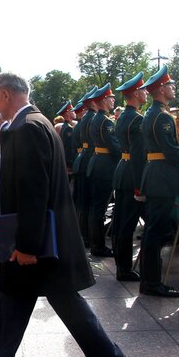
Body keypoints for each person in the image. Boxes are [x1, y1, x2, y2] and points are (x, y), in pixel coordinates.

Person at [0, 72, 128, 357]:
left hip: (38, 240)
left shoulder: (29, 129)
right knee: (18, 297)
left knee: (49, 297)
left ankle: (107, 356)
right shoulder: (37, 124)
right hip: (46, 237)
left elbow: (33, 193)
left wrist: (26, 245)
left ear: (8, 95)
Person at [139, 65, 179, 298]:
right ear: (161, 89)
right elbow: (173, 153)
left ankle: (149, 280)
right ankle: (152, 283)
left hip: (156, 176)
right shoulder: (162, 116)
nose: (173, 87)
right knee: (156, 232)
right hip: (162, 177)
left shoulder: (153, 113)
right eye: (170, 85)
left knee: (154, 231)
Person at [111, 72, 147, 282]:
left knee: (120, 223)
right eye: (142, 90)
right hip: (132, 174)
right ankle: (124, 269)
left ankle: (121, 266)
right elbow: (139, 155)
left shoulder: (124, 116)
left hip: (122, 171)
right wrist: (140, 185)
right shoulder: (137, 119)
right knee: (127, 224)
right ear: (135, 93)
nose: (145, 93)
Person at [85, 84, 120, 257]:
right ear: (104, 100)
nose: (113, 100)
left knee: (96, 207)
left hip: (97, 164)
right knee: (100, 207)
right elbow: (114, 147)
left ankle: (95, 243)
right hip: (105, 167)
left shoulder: (95, 119)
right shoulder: (106, 121)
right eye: (111, 97)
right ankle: (98, 245)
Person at [71, 90, 97, 245]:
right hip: (89, 159)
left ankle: (83, 234)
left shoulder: (83, 120)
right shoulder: (92, 118)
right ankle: (87, 236)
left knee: (82, 202)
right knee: (88, 202)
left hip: (82, 159)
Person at [56, 101, 76, 173]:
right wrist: (69, 163)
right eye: (72, 111)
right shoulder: (68, 128)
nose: (74, 112)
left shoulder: (65, 126)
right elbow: (68, 147)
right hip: (68, 163)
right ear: (67, 113)